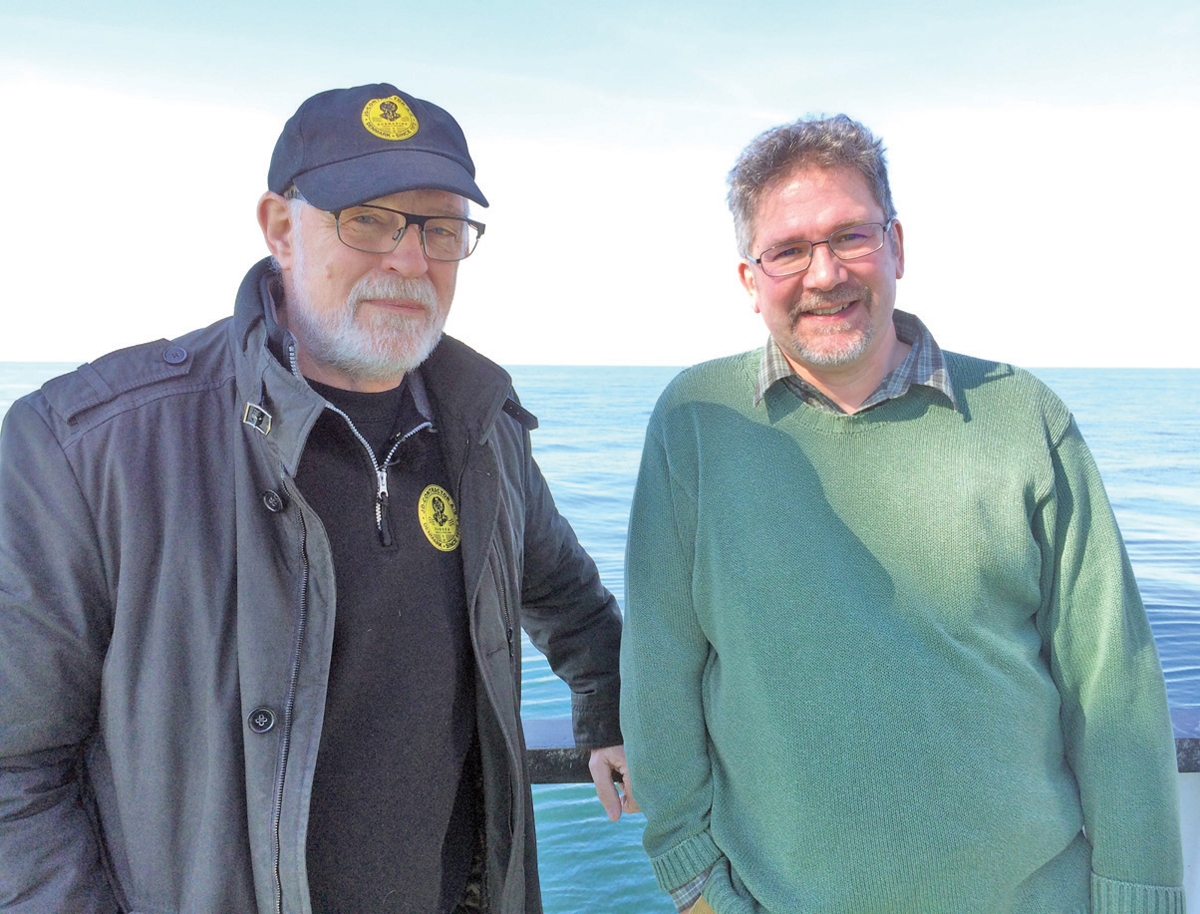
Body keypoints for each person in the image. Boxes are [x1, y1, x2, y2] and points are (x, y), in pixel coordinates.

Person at [0, 83, 635, 914]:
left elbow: (571, 604)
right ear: (279, 228)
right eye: (367, 219)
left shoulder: (484, 431)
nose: (409, 261)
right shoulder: (89, 447)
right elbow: (14, 771)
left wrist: (609, 713)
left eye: (441, 230)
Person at [620, 114, 1184, 914]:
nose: (824, 274)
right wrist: (696, 886)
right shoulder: (695, 422)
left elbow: (1115, 692)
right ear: (750, 280)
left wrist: (1141, 898)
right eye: (788, 250)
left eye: (851, 236)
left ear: (898, 248)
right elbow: (659, 678)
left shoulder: (1024, 416)